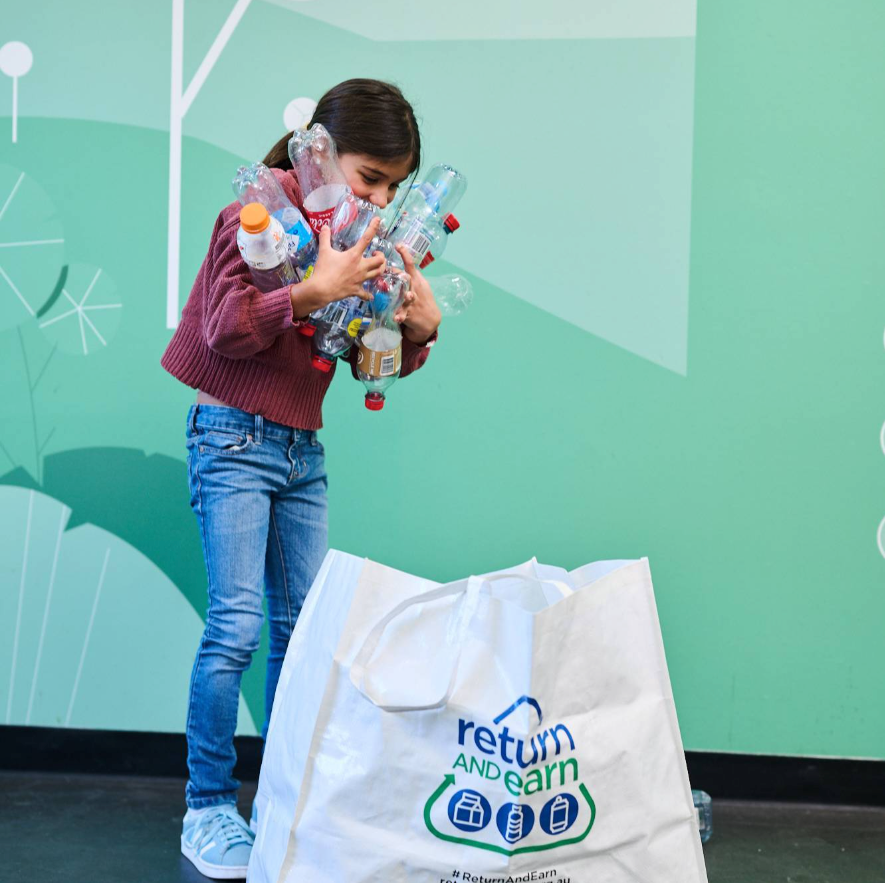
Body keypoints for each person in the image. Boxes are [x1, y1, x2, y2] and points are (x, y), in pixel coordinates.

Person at [160, 78, 440, 879]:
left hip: (299, 452)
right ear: (318, 150)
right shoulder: (257, 214)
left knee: (302, 634)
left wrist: (417, 331)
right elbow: (223, 328)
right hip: (232, 438)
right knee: (236, 627)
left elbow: (363, 355)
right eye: (370, 177)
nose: (381, 198)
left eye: (394, 186)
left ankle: (284, 796)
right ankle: (208, 806)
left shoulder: (356, 238)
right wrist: (311, 288)